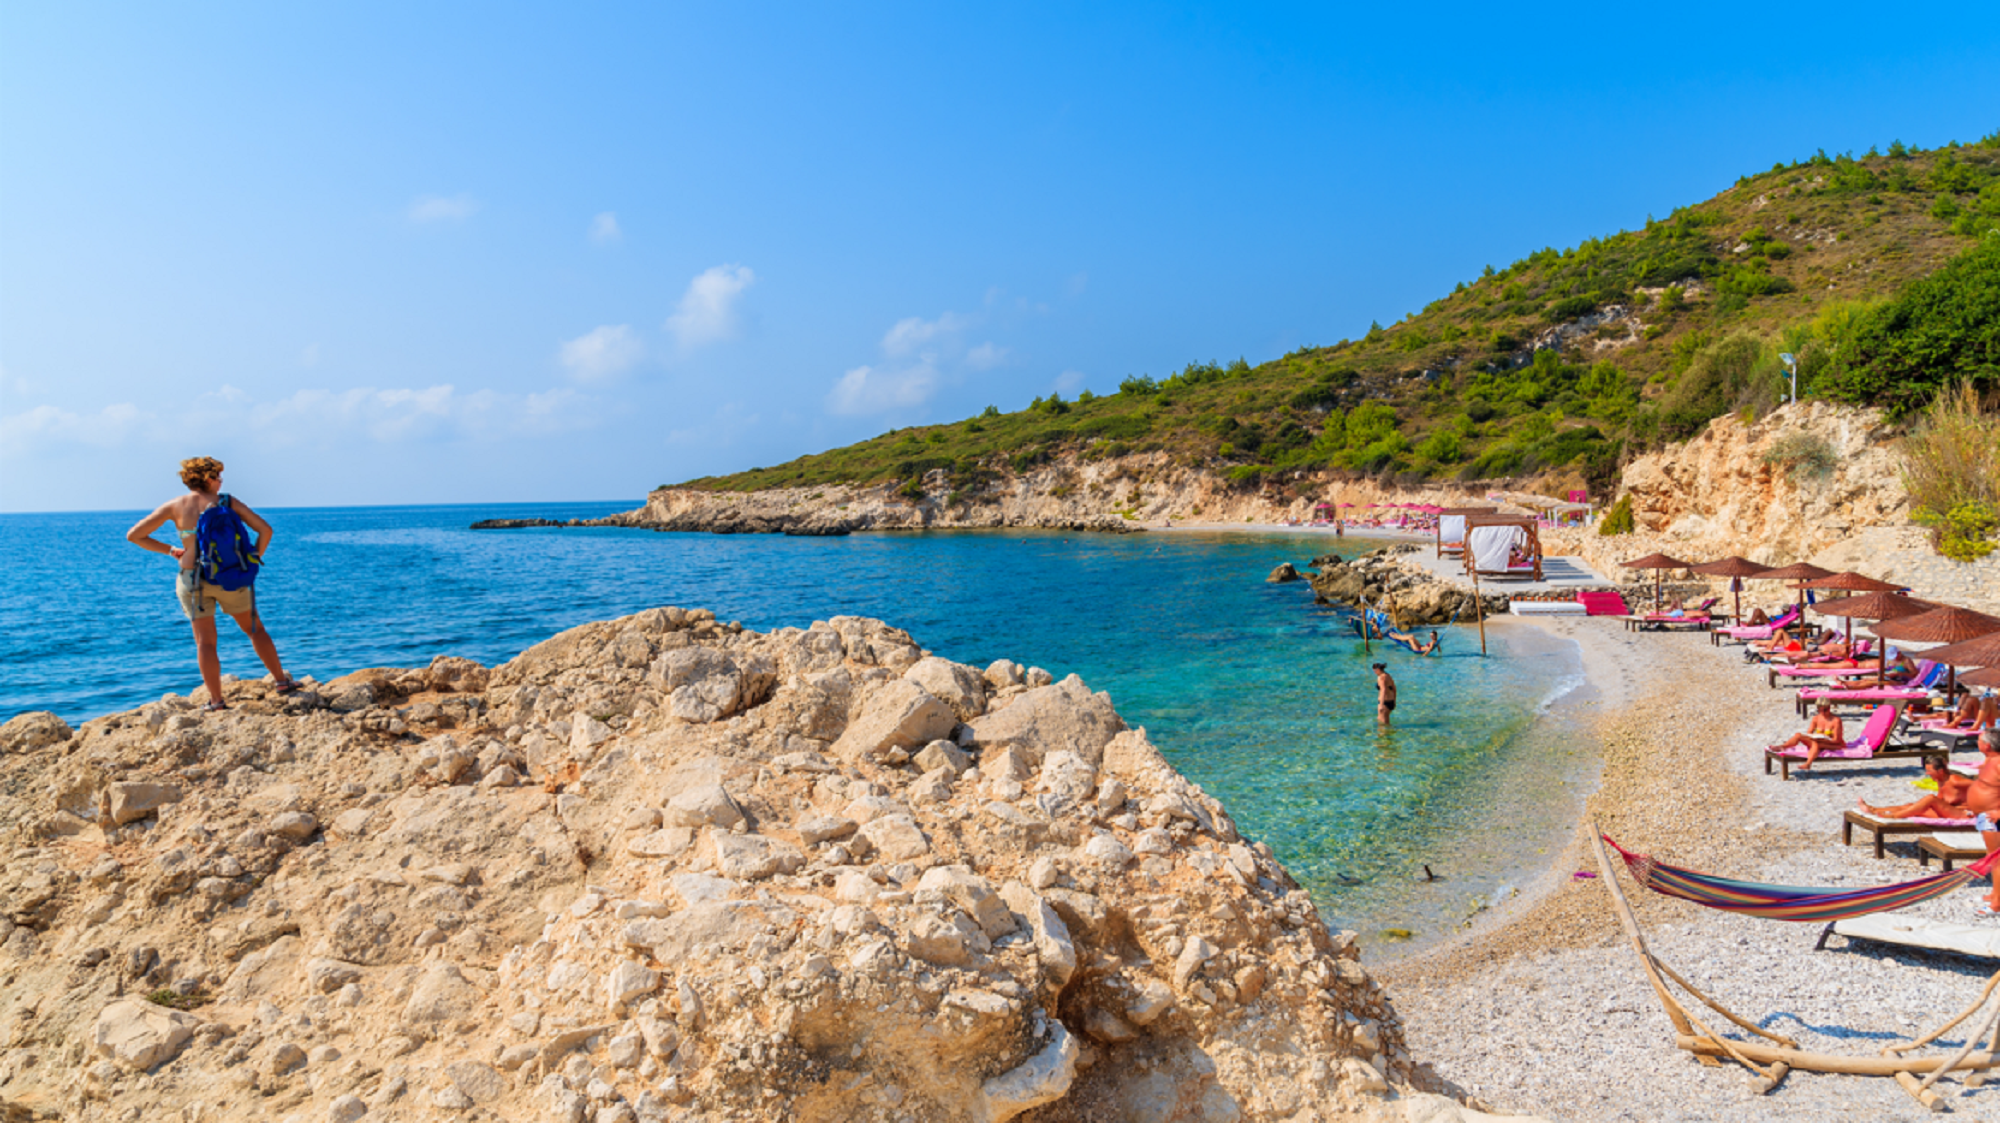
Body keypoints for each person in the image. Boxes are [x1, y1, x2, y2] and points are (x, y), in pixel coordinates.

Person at [126, 456, 299, 711]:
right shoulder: (227, 502)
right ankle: (282, 682)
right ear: (208, 479)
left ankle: (216, 701)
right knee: (255, 630)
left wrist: (171, 550)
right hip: (231, 577)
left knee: (205, 642)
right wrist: (251, 561)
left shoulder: (175, 505)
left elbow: (135, 535)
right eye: (218, 476)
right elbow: (265, 530)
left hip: (192, 580)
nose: (221, 481)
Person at [1858, 757, 1973, 820]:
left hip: (1963, 814)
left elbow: (1982, 786)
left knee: (1930, 798)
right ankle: (1873, 810)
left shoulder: (1955, 781)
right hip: (1950, 811)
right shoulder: (1940, 781)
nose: (1927, 774)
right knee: (1911, 806)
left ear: (1940, 771)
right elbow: (1941, 801)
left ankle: (1895, 816)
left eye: (1930, 771)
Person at [1966, 728, 2000, 919]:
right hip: (1985, 817)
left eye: (1979, 740)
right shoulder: (1991, 761)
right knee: (1994, 859)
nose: (1977, 742)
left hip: (1994, 818)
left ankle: (1997, 905)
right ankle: (1996, 894)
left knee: (1998, 861)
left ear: (1986, 745)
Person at [1770, 702, 1844, 770]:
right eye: (1820, 710)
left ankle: (1808, 763)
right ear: (1818, 709)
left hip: (1834, 744)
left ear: (1829, 708)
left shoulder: (1836, 720)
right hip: (1819, 741)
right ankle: (1782, 746)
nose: (1823, 712)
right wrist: (1816, 736)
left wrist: (1824, 739)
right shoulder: (1816, 718)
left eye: (1825, 710)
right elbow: (1809, 733)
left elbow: (1836, 740)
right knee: (1798, 735)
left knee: (1816, 744)